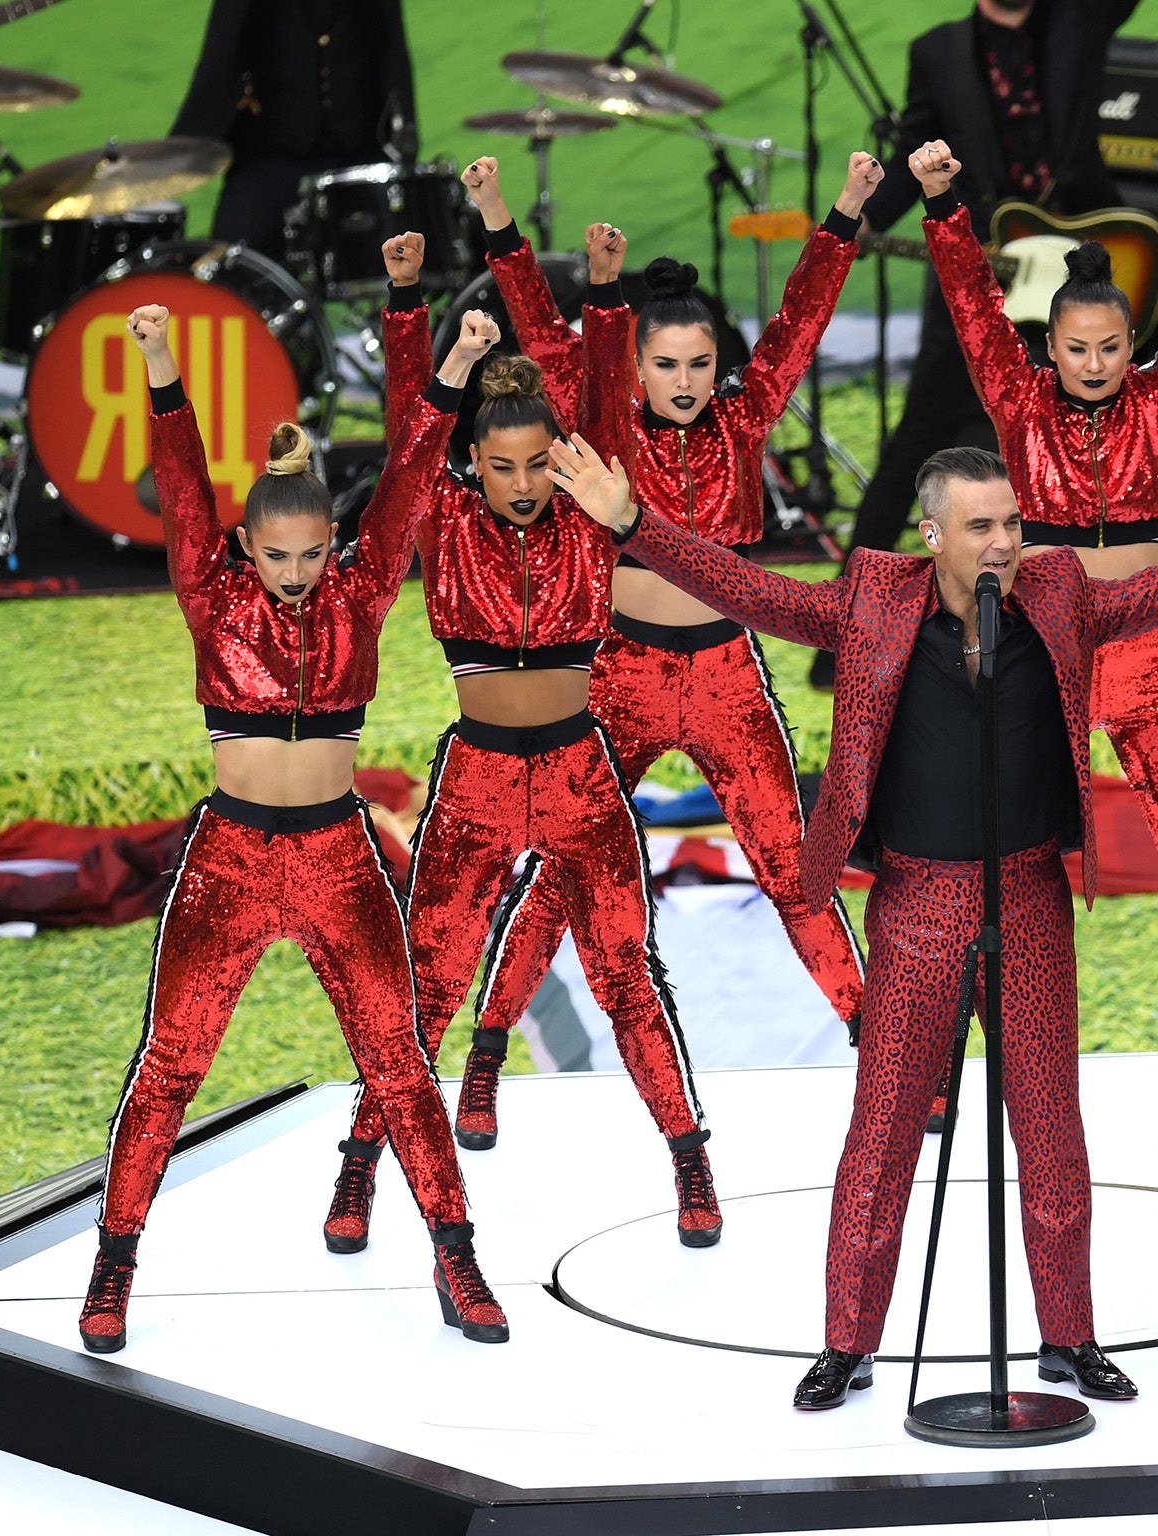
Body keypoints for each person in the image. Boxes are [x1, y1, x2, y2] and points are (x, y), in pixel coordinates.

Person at [545, 432, 1158, 1410]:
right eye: (980, 526)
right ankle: (846, 1344)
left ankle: (1068, 1337)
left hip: (1030, 893)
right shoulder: (874, 599)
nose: (1002, 542)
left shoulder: (1056, 595)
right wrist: (633, 525)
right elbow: (757, 594)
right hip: (915, 902)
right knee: (880, 1133)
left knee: (1050, 1128)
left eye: (1009, 522)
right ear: (932, 534)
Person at [427, 153, 881, 1150]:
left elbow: (800, 320)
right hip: (620, 674)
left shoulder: (748, 417)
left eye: (698, 363)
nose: (683, 381)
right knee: (562, 874)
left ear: (720, 362)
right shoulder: (604, 425)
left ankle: (879, 1053)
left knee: (792, 871)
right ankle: (488, 1055)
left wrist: (846, 208)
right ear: (634, 366)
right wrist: (497, 214)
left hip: (725, 674)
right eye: (664, 364)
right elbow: (544, 334)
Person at [80, 304, 506, 1355]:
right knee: (170, 1063)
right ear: (246, 548)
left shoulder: (361, 596)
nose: (300, 571)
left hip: (335, 854)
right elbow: (182, 487)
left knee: (397, 1061)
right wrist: (161, 363)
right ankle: (112, 1264)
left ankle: (456, 1255)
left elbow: (404, 487)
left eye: (315, 552)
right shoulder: (211, 595)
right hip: (228, 858)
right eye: (279, 554)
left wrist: (453, 366)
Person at [319, 237, 716, 1254]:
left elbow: (593, 397)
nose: (525, 483)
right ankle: (361, 1168)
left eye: (540, 464)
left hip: (582, 769)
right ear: (476, 467)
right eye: (502, 468)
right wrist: (407, 303)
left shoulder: (588, 513)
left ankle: (689, 1162)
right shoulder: (443, 518)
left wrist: (605, 292)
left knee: (627, 973)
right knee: (428, 982)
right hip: (481, 776)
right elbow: (413, 439)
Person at [918, 137, 1158, 1120]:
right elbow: (972, 306)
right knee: (986, 849)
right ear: (1046, 348)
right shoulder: (1013, 398)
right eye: (1074, 348)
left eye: (1108, 347)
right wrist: (942, 201)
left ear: (1126, 345)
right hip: (1036, 646)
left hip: (1143, 650)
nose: (1093, 365)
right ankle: (943, 1049)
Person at [813, 0, 1142, 689]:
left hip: (1081, 253)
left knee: (1122, 429)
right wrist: (857, 215)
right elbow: (915, 155)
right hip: (978, 265)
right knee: (918, 435)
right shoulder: (939, 52)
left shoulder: (1079, 20)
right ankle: (839, 632)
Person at [172, 0, 417, 256]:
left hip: (360, 154)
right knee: (235, 257)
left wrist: (405, 154)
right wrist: (173, 158)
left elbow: (394, 56)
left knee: (411, 248)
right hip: (270, 158)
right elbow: (219, 60)